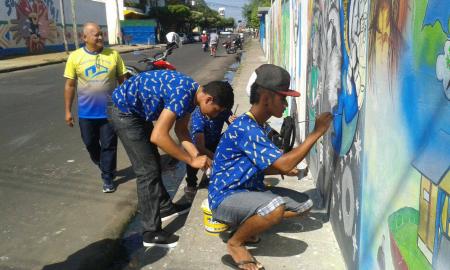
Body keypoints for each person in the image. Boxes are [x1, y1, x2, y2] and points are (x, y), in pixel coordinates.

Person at [208, 64, 333, 269]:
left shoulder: (259, 126)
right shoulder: (246, 128)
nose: (285, 104)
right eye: (283, 98)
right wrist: (317, 132)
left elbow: (263, 164)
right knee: (275, 207)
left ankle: (246, 225)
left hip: (249, 190)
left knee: (305, 205)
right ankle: (236, 243)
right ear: (266, 98)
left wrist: (279, 168)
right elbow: (283, 164)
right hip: (226, 198)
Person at [111, 71, 234, 248]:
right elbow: (159, 136)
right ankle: (150, 232)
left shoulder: (193, 95)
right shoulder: (183, 94)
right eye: (216, 111)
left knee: (153, 162)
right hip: (124, 111)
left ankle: (164, 208)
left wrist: (199, 156)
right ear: (209, 99)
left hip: (138, 111)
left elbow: (181, 131)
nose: (215, 116)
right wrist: (191, 161)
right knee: (147, 171)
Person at [64, 22, 127, 193]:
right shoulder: (75, 57)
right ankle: (104, 165)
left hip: (109, 111)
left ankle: (107, 177)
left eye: (101, 34)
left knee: (109, 145)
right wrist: (68, 111)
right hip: (86, 113)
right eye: (96, 35)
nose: (100, 37)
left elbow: (123, 80)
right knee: (91, 144)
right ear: (85, 38)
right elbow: (70, 85)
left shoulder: (113, 54)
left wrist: (126, 104)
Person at [184, 88, 237, 200]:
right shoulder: (198, 117)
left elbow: (231, 125)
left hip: (214, 141)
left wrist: (233, 122)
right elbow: (200, 146)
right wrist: (216, 160)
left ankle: (213, 174)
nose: (218, 113)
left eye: (222, 111)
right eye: (217, 110)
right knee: (193, 158)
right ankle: (191, 184)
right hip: (198, 147)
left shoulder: (223, 109)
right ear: (209, 101)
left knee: (231, 137)